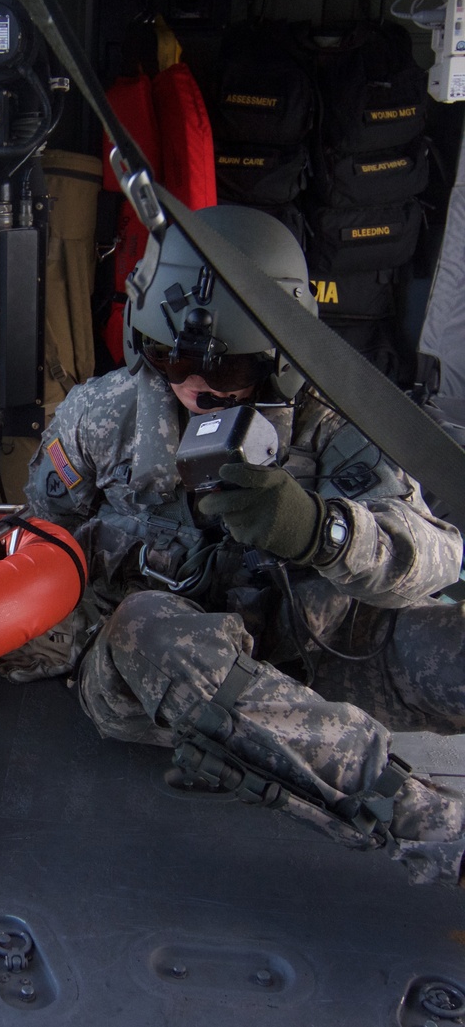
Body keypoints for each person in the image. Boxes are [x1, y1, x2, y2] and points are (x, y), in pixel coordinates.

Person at [24, 202, 465, 888]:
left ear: (278, 358)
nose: (197, 386)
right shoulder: (100, 419)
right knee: (145, 626)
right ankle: (423, 823)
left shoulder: (327, 421)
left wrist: (324, 531)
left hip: (309, 661)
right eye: (170, 358)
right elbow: (39, 544)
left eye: (227, 371)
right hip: (149, 678)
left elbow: (436, 554)